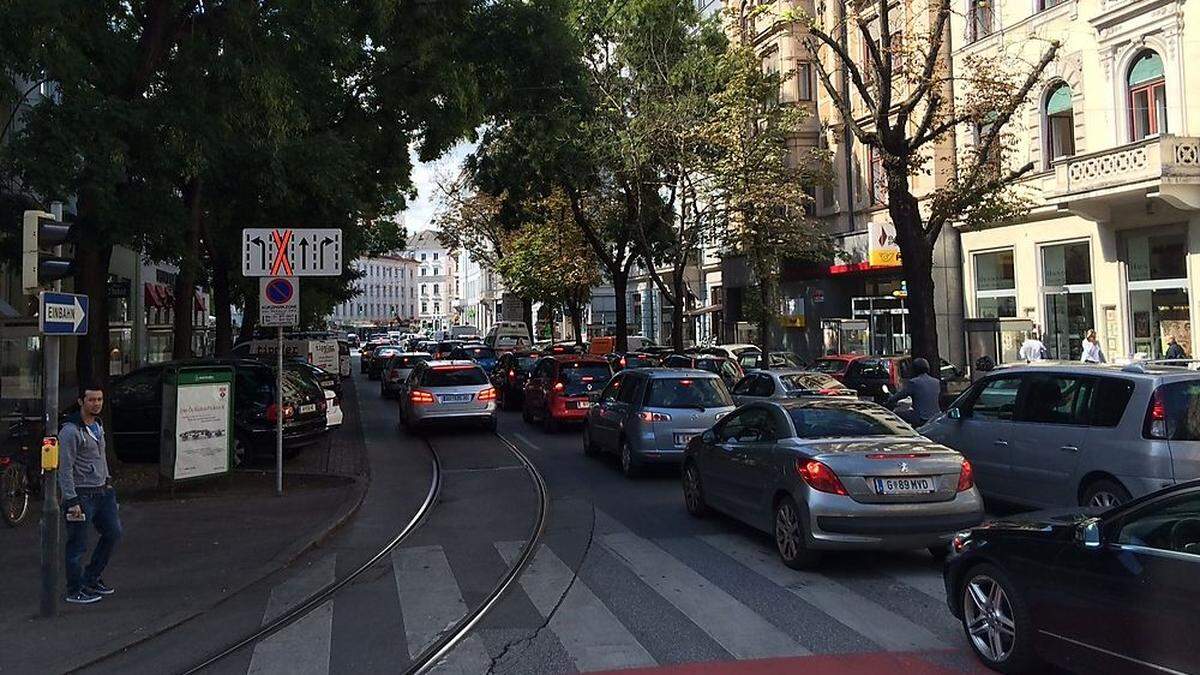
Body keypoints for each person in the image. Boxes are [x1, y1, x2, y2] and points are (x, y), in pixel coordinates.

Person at [60, 383, 122, 605]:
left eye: (99, 400)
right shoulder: (70, 431)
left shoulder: (98, 426)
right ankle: (75, 589)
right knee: (78, 544)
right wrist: (71, 500)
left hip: (102, 492)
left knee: (113, 533)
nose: (96, 404)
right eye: (92, 400)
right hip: (81, 495)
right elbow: (65, 468)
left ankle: (92, 578)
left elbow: (101, 457)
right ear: (80, 402)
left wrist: (108, 483)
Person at [886, 358, 941, 427]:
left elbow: (901, 395)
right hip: (935, 416)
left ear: (915, 369)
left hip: (920, 417)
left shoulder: (914, 382)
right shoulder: (936, 382)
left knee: (896, 415)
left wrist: (890, 401)